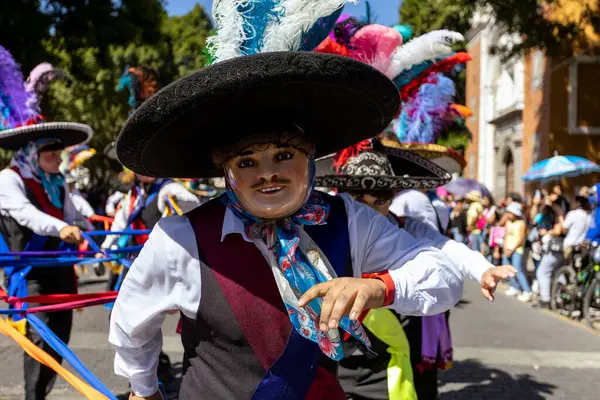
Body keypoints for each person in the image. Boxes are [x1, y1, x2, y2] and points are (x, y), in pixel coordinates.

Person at [108, 4, 464, 398]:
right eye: (247, 161)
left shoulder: (349, 221)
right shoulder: (181, 237)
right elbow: (131, 324)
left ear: (309, 159)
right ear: (226, 170)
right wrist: (145, 389)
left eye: (283, 155)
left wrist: (380, 288)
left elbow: (443, 275)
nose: (268, 174)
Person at [316, 139, 515, 400]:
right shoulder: (324, 224)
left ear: (392, 197)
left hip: (393, 326)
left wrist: (483, 269)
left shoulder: (404, 226)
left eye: (379, 201)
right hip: (338, 331)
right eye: (357, 199)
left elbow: (445, 248)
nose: (367, 210)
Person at [0, 46, 93, 400]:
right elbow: (27, 216)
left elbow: (72, 215)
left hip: (62, 269)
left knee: (61, 343)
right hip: (31, 275)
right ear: (32, 154)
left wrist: (85, 225)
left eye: (59, 150)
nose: (58, 155)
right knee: (40, 344)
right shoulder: (8, 179)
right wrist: (64, 229)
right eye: (50, 151)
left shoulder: (57, 183)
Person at [501, 202, 533, 302]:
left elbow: (520, 238)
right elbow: (506, 235)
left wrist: (512, 249)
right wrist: (505, 248)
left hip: (517, 249)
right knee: (506, 269)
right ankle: (515, 287)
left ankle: (527, 290)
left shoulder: (521, 223)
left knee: (517, 269)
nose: (508, 215)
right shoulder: (508, 222)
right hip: (507, 249)